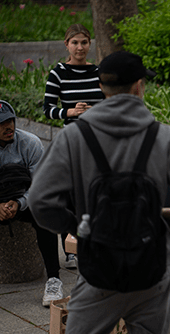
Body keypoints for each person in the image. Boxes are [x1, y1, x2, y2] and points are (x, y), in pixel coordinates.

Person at [28, 51, 170, 334]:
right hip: (151, 269)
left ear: (101, 87)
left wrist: (76, 226)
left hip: (99, 270)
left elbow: (38, 200)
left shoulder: (74, 136)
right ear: (139, 85)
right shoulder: (163, 136)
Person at [42, 23, 105, 268]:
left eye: (84, 42)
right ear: (66, 44)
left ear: (90, 44)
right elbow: (47, 110)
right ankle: (70, 250)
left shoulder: (99, 72)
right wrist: (70, 110)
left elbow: (111, 105)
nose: (80, 47)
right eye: (75, 42)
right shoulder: (57, 73)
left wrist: (94, 111)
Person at [0, 100, 63, 307]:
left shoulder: (31, 143)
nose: (7, 127)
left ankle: (54, 279)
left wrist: (18, 203)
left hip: (25, 200)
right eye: (1, 124)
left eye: (10, 121)